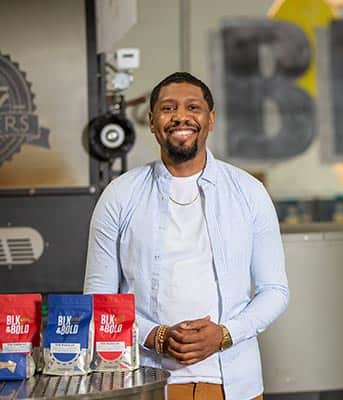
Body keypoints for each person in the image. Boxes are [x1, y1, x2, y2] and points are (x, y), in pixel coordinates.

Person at [84, 72, 289, 400]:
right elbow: (97, 299)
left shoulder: (249, 192)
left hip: (234, 383)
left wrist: (224, 334)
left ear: (210, 119)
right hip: (146, 381)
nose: (181, 116)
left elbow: (275, 291)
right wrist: (155, 336)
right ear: (151, 122)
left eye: (193, 107)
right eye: (168, 108)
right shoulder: (119, 195)